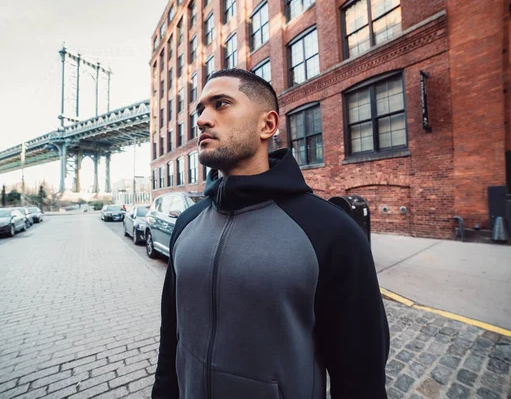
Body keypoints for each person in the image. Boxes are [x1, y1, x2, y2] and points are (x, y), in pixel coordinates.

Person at [152, 68, 389, 399]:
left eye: (221, 104)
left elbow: (360, 378)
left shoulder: (330, 232)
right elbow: (171, 339)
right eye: (200, 110)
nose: (203, 119)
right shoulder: (187, 224)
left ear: (267, 125)